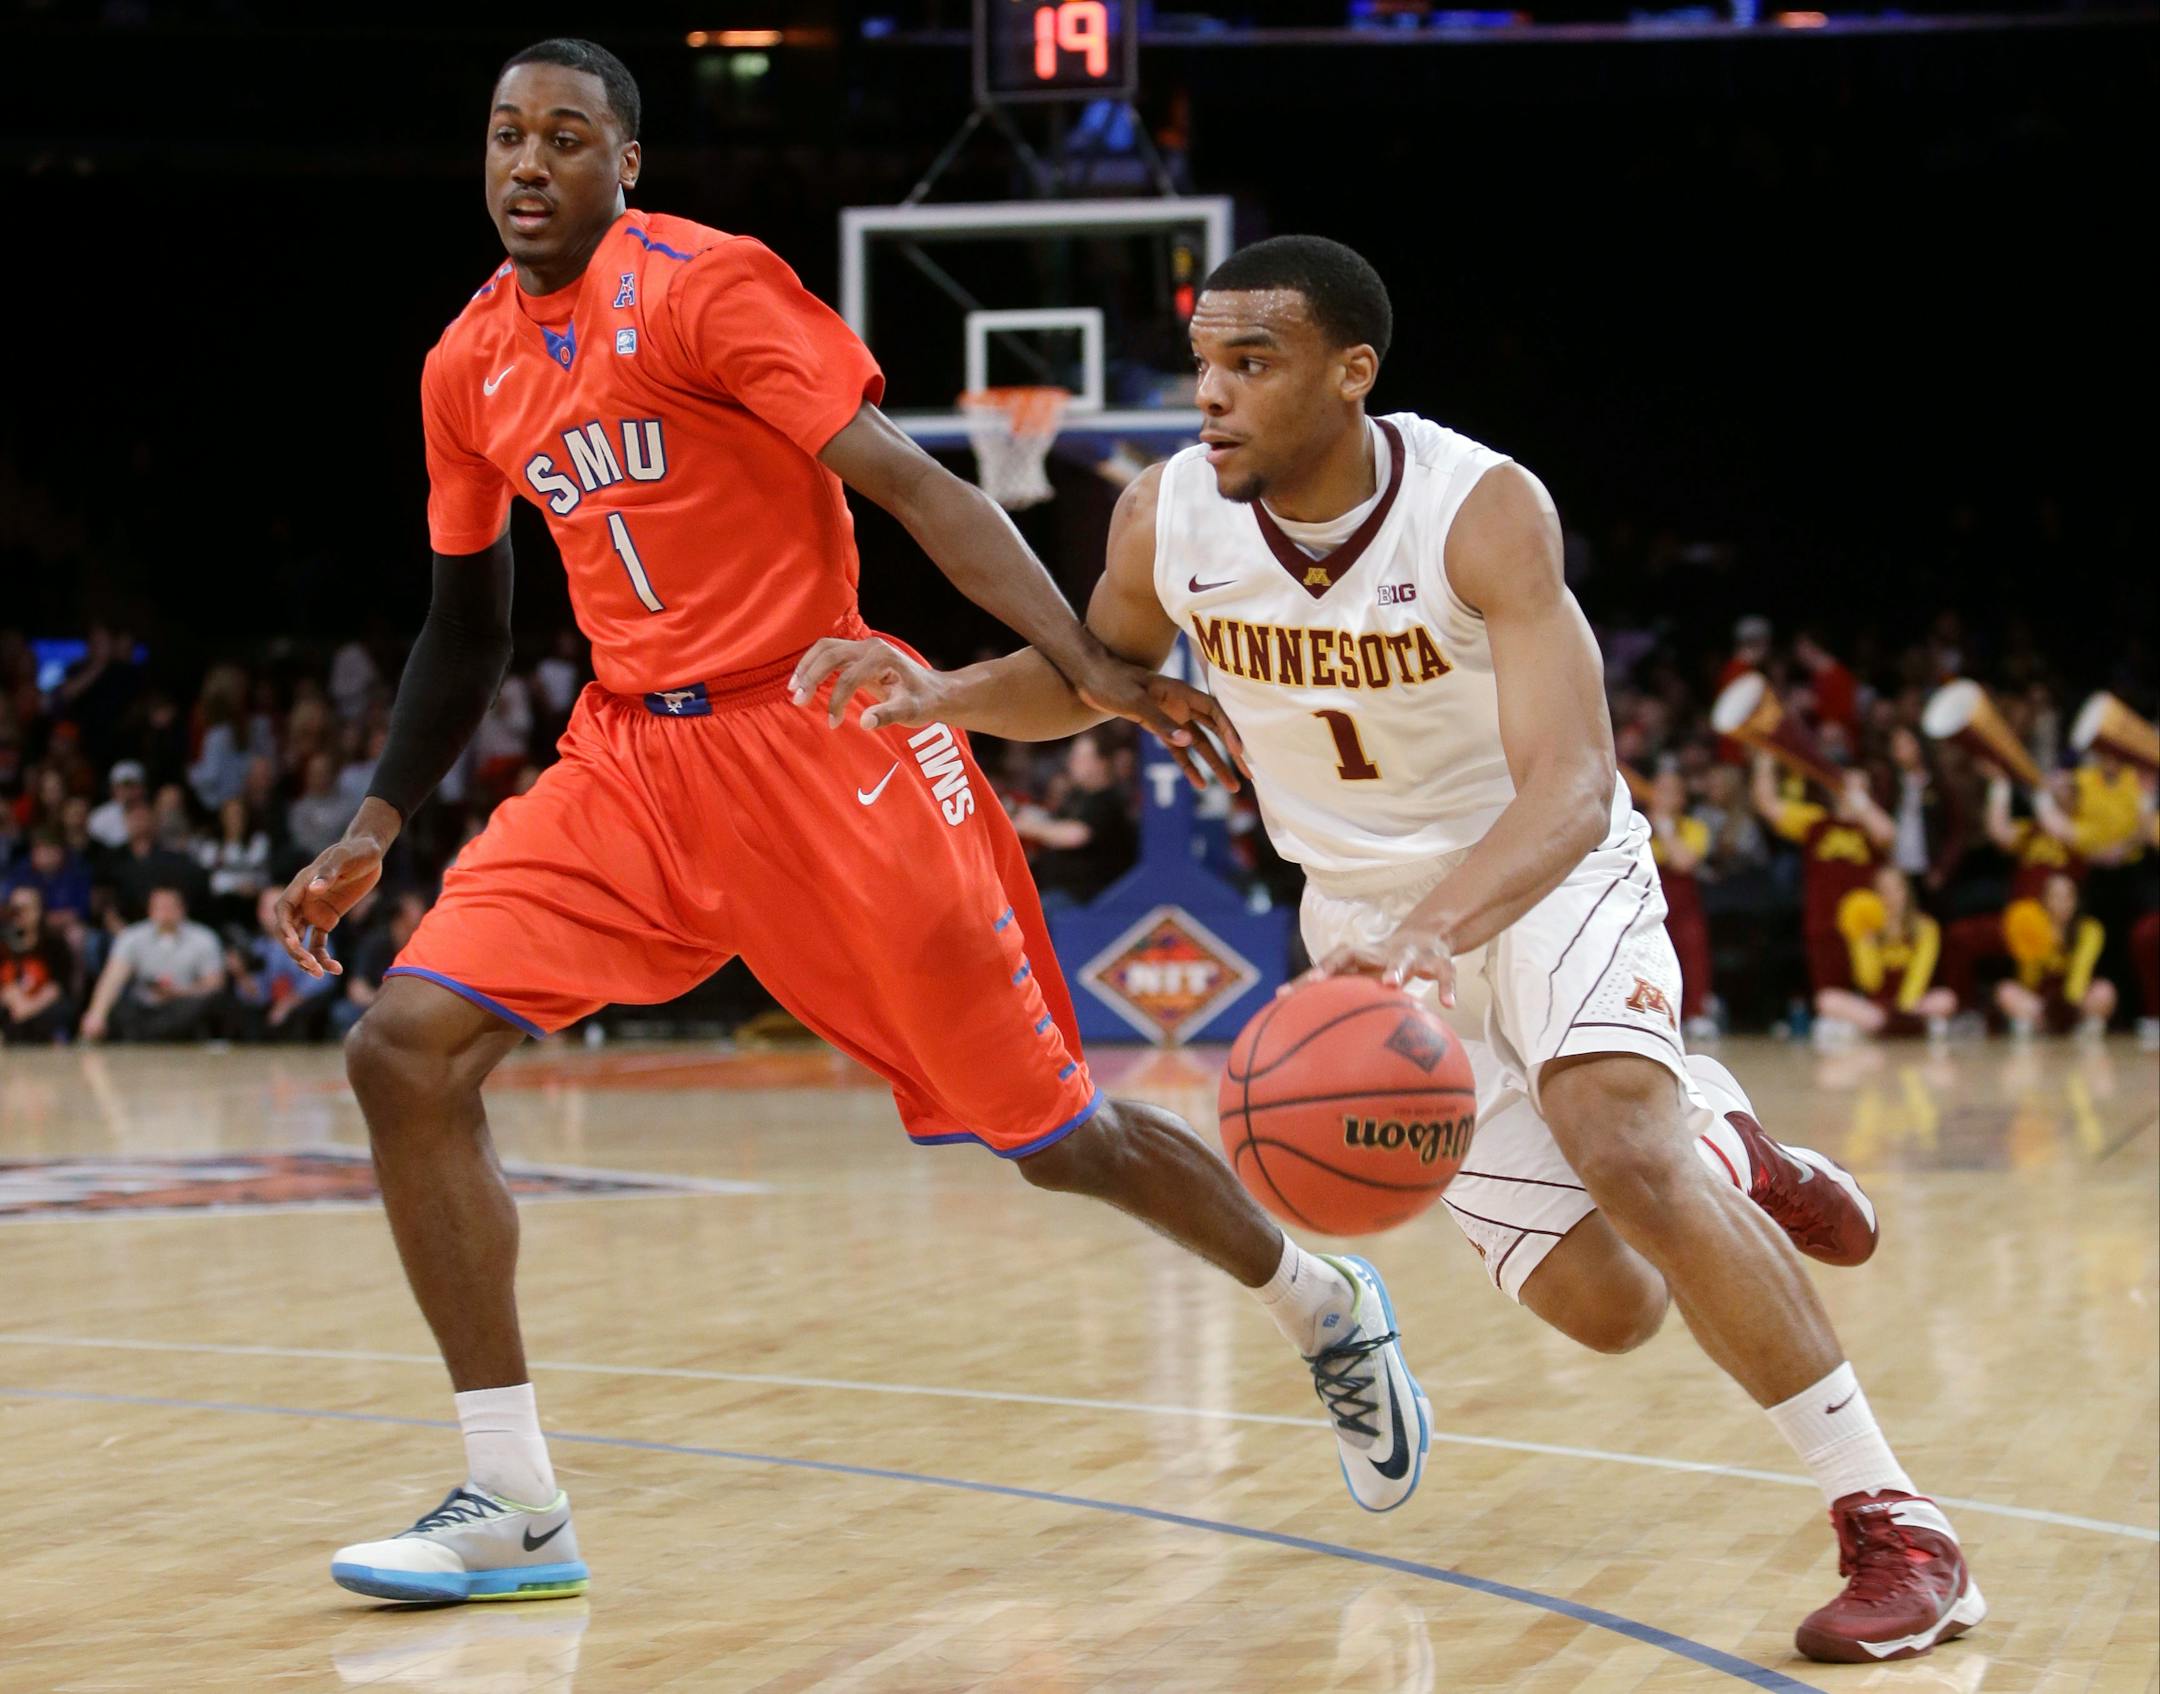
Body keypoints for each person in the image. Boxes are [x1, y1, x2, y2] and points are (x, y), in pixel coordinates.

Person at [276, 41, 1417, 1612]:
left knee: (1054, 1135)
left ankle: (1318, 1298)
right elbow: (463, 623)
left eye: (563, 137)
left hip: (831, 740)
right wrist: (376, 814)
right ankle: (516, 1500)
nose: (526, 163)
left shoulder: (708, 288)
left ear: (627, 165)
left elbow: (917, 489)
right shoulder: (463, 365)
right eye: (501, 136)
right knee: (403, 1048)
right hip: (630, 761)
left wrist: (1092, 667)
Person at [796, 234, 1982, 1664]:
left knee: (1617, 1135)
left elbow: (1573, 782)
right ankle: (1734, 1150)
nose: (1213, 396)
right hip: (1356, 923)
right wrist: (939, 695)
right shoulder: (1165, 517)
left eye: (1254, 362)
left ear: (1352, 373)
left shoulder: (1481, 509)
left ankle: (1898, 1525)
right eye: (1204, 364)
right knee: (1609, 1305)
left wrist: (1437, 932)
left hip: (1538, 871)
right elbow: (1088, 676)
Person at [1752, 756, 1896, 1001]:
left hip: (1865, 927)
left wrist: (1859, 801)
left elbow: (1888, 834)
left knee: (1873, 989)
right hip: (1823, 922)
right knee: (1829, 992)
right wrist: (1765, 760)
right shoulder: (1816, 821)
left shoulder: (1872, 827)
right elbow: (1767, 806)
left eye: (1860, 787)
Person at [1813, 865, 1957, 1042]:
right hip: (1875, 1008)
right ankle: (1909, 1027)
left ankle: (1885, 1028)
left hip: (1912, 1004)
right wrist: (1865, 941)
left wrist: (1903, 1010)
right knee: (1826, 999)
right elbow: (1869, 982)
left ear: (1906, 892)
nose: (1890, 897)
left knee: (1946, 999)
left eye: (1896, 889)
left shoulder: (1926, 927)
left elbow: (1920, 975)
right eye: (1883, 890)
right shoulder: (1864, 927)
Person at [79, 883, 226, 1043]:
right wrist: (96, 1014)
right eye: (160, 907)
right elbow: (113, 977)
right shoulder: (132, 936)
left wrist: (179, 992)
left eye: (170, 907)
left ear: (182, 909)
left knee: (208, 1003)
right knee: (118, 1006)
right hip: (143, 1007)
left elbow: (214, 983)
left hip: (183, 1004)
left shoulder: (203, 938)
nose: (165, 913)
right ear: (150, 910)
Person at [1011, 731, 1138, 905]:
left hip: (1088, 898)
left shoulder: (1108, 800)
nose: (1072, 762)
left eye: (1081, 757)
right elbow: (1054, 822)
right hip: (1055, 890)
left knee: (1028, 911)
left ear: (1101, 763)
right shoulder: (1077, 796)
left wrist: (1025, 827)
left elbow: (1076, 835)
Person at [1645, 767, 1717, 1042]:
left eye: (1670, 792)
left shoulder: (1695, 829)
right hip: (1647, 906)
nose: (1663, 797)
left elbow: (1683, 862)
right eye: (1659, 789)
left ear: (1681, 799)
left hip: (1684, 909)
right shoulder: (1636, 825)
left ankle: (1696, 1014)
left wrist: (1664, 828)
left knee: (1692, 956)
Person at [1994, 871, 2113, 1038]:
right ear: (2044, 899)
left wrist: (2068, 1007)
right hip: (2040, 999)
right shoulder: (2031, 925)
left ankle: (2085, 1028)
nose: (2062, 903)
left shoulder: (2090, 929)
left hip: (2075, 1000)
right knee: (2005, 990)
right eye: (2056, 896)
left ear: (2077, 900)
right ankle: (2034, 1025)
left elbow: (2081, 972)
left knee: (2105, 990)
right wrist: (2041, 943)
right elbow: (2028, 978)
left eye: (2068, 896)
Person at [1, 884, 76, 1044]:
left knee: (59, 1013)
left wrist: (29, 1008)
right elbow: (5, 985)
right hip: (12, 1005)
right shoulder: (3, 943)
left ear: (39, 910)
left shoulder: (54, 943)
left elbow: (58, 986)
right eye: (15, 909)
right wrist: (17, 1002)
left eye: (26, 909)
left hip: (43, 1006)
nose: (19, 914)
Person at [86, 759, 147, 850]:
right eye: (123, 786)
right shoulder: (99, 816)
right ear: (113, 788)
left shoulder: (151, 814)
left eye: (132, 785)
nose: (128, 791)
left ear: (142, 788)